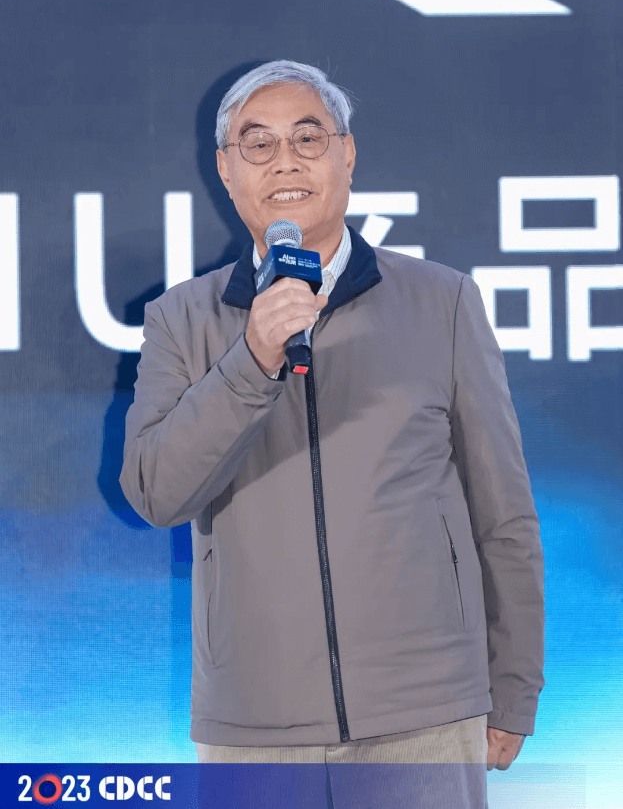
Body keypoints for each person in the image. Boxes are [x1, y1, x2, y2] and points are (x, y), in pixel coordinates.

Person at [119, 60, 545, 808]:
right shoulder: (179, 319)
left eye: (307, 137)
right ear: (225, 170)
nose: (284, 161)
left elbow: (502, 513)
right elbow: (156, 492)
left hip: (424, 711)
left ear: (347, 154)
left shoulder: (442, 301)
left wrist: (512, 686)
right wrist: (251, 360)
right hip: (254, 724)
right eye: (258, 143)